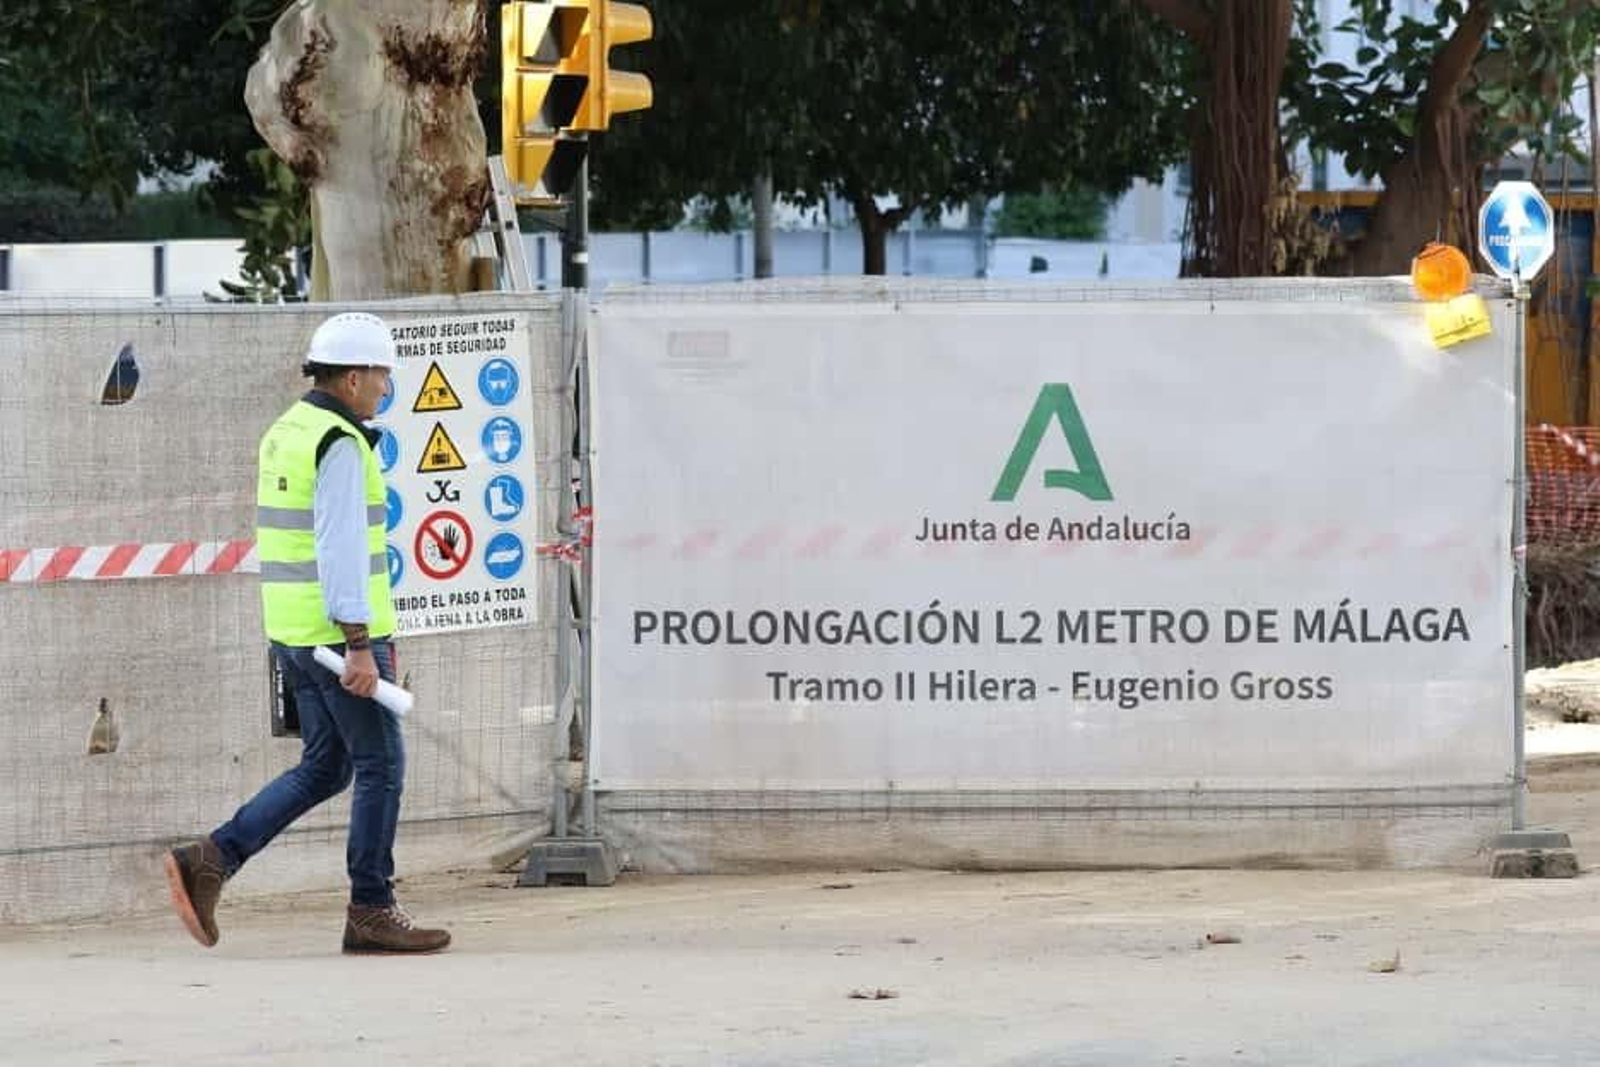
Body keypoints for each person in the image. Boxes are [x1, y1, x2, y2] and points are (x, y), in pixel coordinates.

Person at [164, 312, 450, 955]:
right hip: (338, 635)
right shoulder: (342, 442)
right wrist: (359, 644)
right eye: (380, 375)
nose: (385, 388)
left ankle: (210, 858)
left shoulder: (287, 431)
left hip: (294, 631)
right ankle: (371, 907)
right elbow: (339, 549)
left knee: (327, 766)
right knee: (381, 765)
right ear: (352, 377)